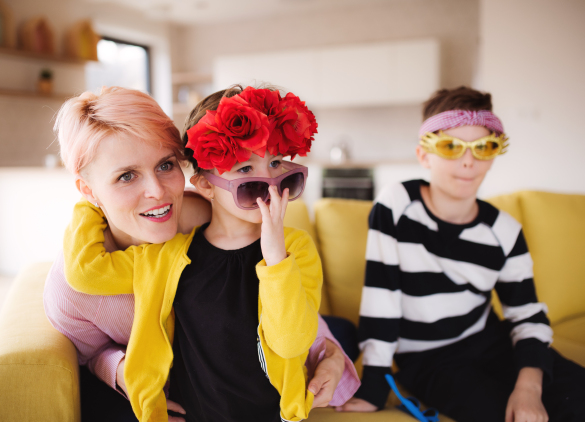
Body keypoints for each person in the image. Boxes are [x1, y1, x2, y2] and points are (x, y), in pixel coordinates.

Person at [44, 86, 359, 422]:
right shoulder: (73, 290)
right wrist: (129, 375)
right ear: (89, 191)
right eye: (126, 176)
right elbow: (91, 355)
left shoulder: (207, 215)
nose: (157, 192)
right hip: (205, 377)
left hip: (262, 345)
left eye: (166, 165)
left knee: (346, 333)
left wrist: (329, 352)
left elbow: (276, 308)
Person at [338, 87, 585, 421]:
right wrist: (374, 384)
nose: (467, 161)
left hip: (490, 341)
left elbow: (527, 316)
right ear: (424, 155)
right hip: (428, 358)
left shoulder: (504, 231)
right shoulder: (396, 206)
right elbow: (381, 297)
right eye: (451, 147)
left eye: (483, 148)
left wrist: (529, 387)